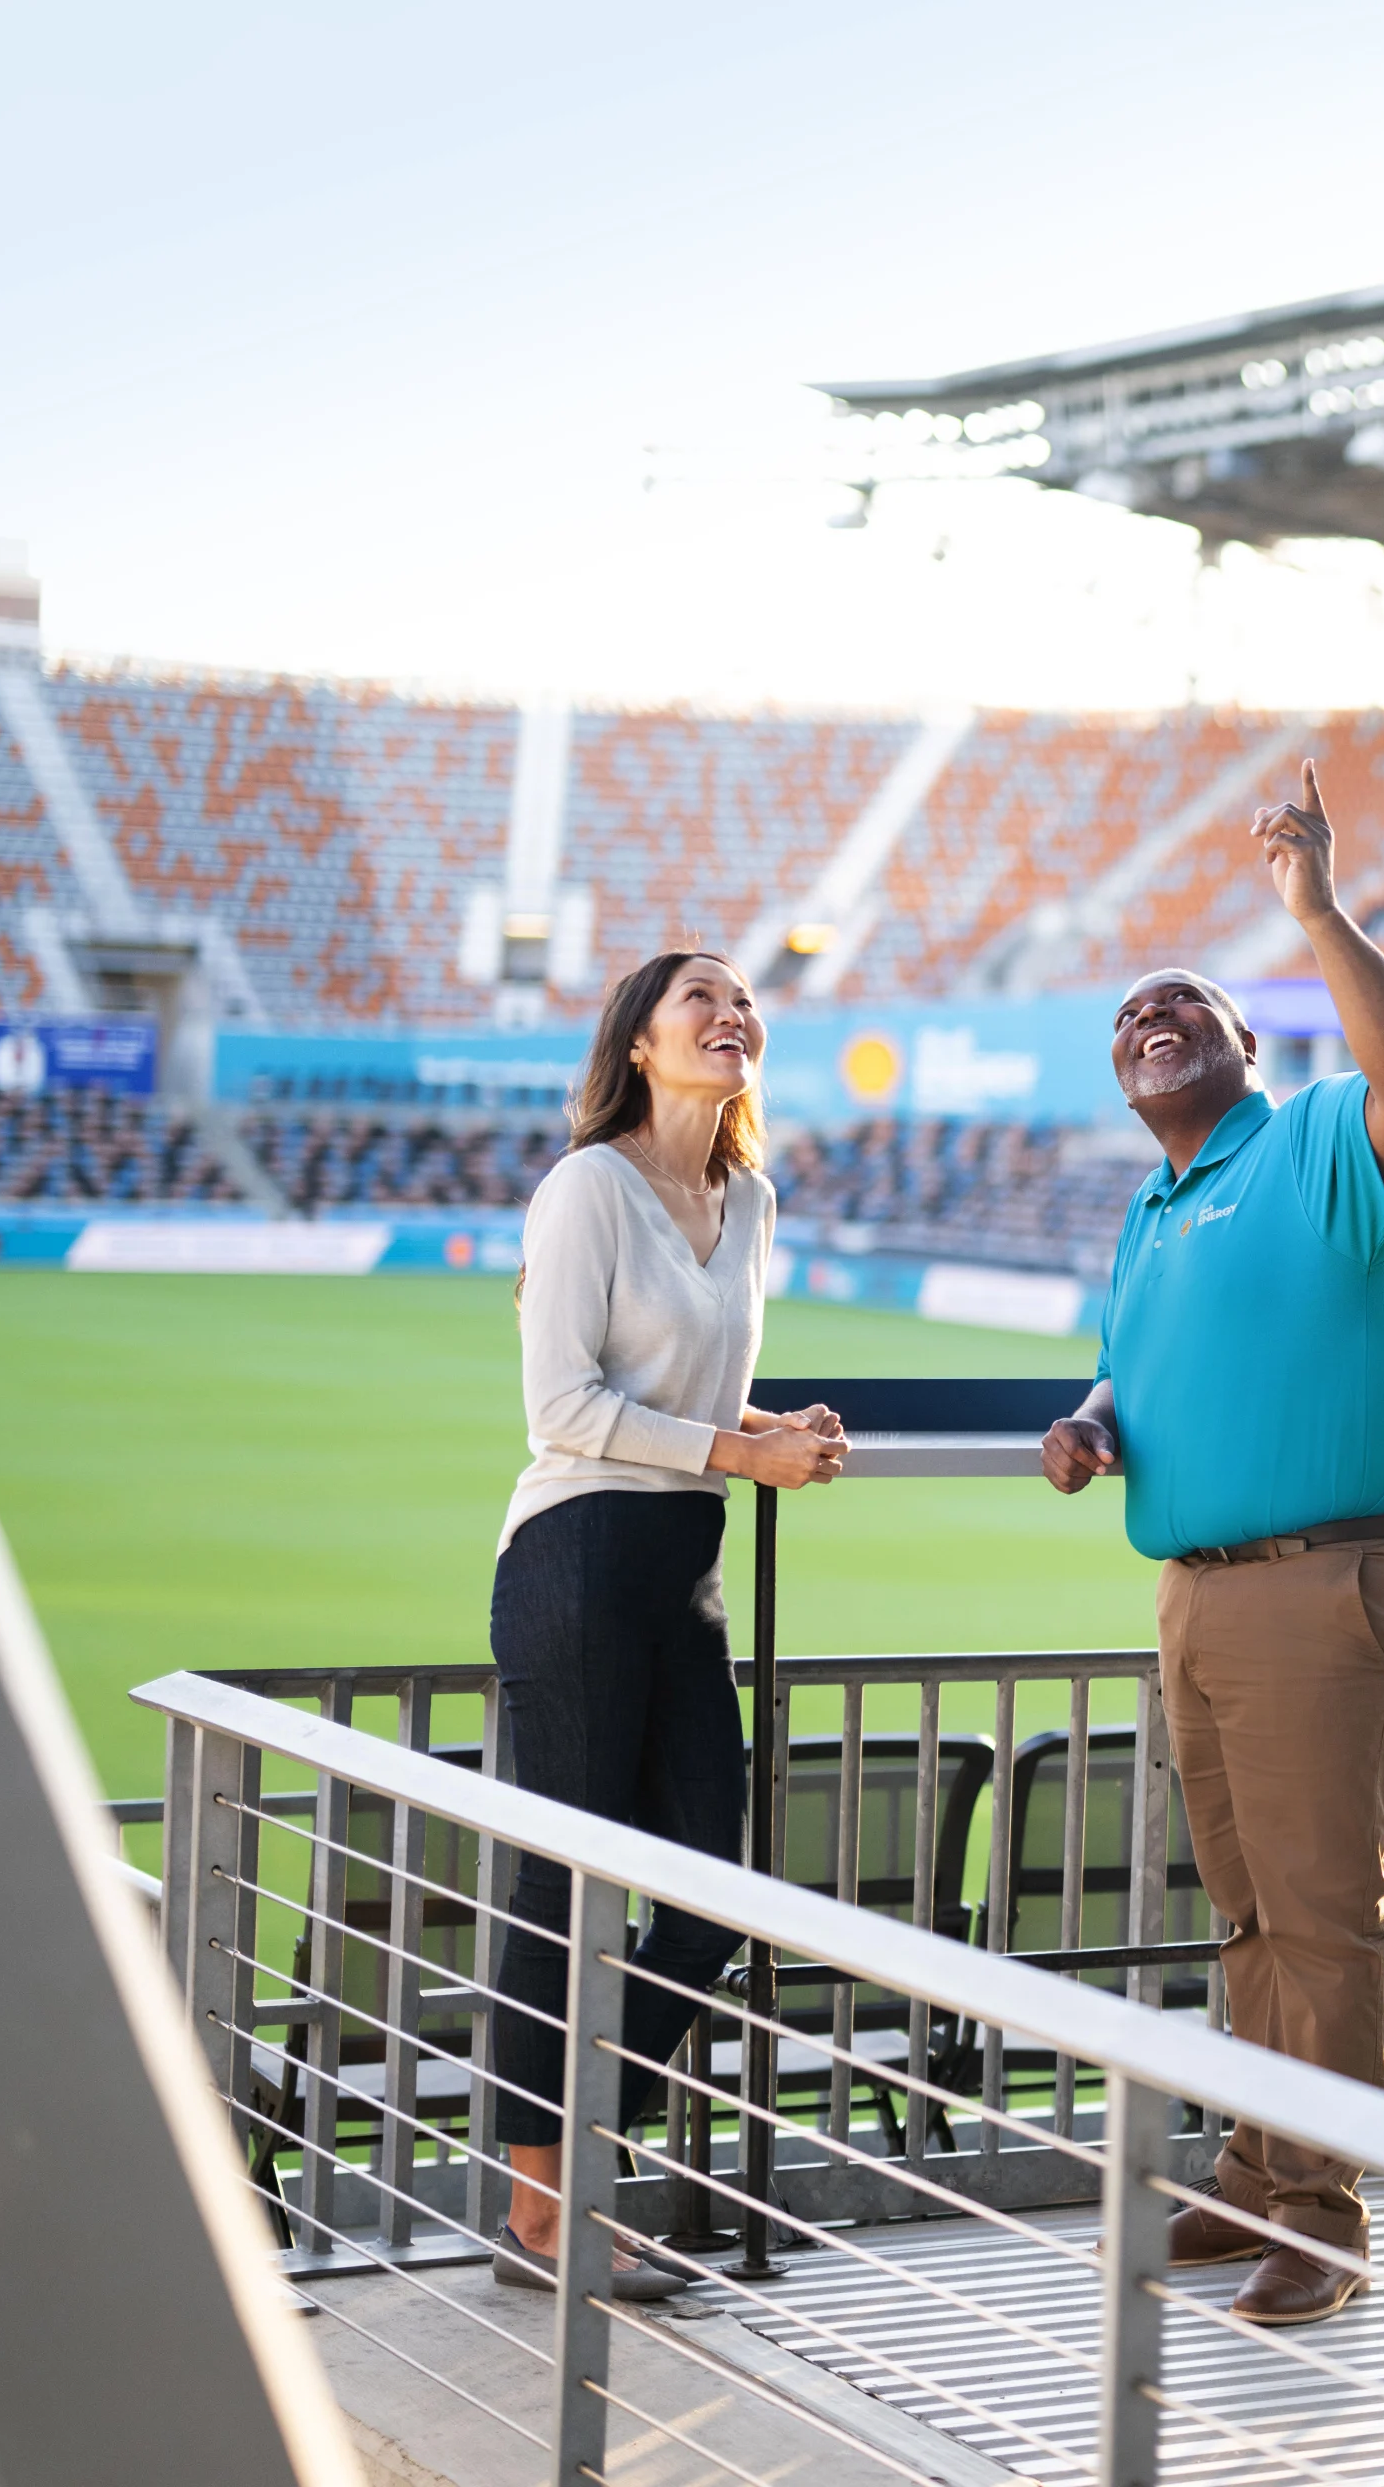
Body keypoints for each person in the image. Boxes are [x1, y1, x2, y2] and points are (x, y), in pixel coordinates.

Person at [1041, 760, 1384, 2331]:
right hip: (1202, 1597)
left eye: (1187, 1009)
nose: (1153, 1025)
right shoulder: (1154, 1211)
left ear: (1247, 1047)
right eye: (1131, 1021)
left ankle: (1325, 2217)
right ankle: (1257, 2168)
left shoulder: (1317, 1143)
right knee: (1247, 1908)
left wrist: (1320, 912)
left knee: (1321, 1906)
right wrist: (1091, 1422)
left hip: (1325, 1583)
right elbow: (1134, 1375)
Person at [488, 949, 849, 2299]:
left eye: (744, 1000)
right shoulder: (588, 1186)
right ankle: (543, 2215)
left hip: (677, 1571)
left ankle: (573, 2154)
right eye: (699, 997)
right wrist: (740, 1455)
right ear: (638, 1041)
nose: (730, 1014)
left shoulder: (750, 1200)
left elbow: (690, 1382)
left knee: (711, 1900)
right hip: (576, 1552)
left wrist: (772, 1425)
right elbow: (565, 1410)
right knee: (564, 1884)